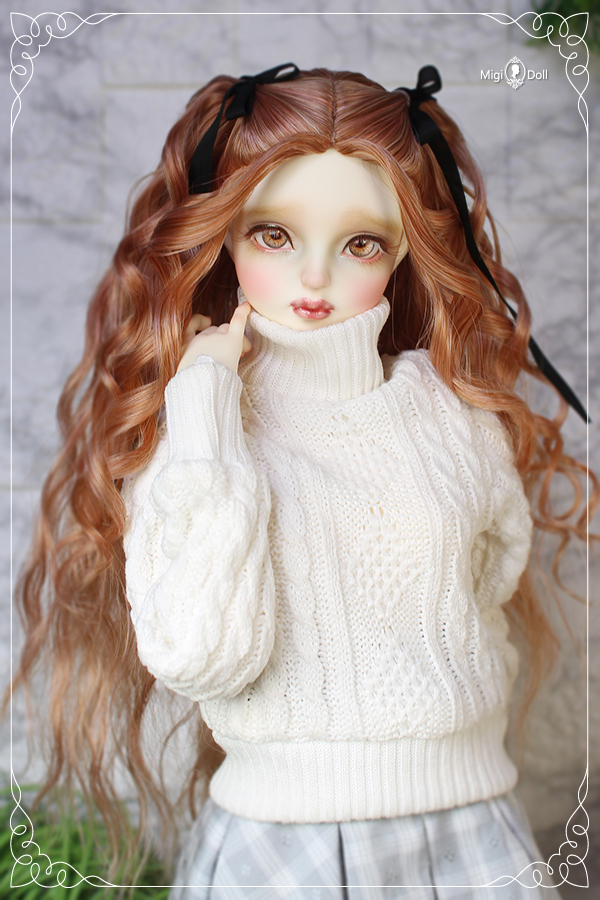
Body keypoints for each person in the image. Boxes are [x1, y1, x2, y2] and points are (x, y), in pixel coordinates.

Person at [15, 65, 593, 897]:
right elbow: (200, 655)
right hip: (282, 846)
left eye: (361, 243)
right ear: (226, 235)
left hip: (468, 827)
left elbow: (490, 577)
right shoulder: (200, 430)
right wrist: (205, 404)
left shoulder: (451, 418)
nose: (314, 277)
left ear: (403, 250)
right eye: (274, 235)